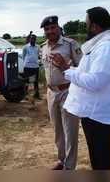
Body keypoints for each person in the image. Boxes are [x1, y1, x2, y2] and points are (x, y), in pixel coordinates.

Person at [53, 7, 110, 170]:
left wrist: (66, 71)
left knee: (100, 158)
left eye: (87, 24)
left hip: (98, 114)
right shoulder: (102, 45)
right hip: (94, 112)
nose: (85, 27)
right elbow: (87, 73)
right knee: (97, 156)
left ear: (95, 26)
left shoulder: (107, 48)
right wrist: (67, 68)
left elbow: (95, 81)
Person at [40, 15, 82, 170]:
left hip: (68, 92)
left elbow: (83, 69)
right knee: (58, 131)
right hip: (51, 93)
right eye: (47, 29)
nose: (50, 31)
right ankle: (61, 160)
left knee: (70, 131)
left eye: (52, 28)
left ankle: (69, 167)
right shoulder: (43, 47)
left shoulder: (70, 45)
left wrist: (65, 66)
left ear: (58, 28)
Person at [22, 34, 40, 99]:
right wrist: (27, 62)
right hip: (27, 66)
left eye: (34, 39)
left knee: (36, 81)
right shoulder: (25, 47)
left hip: (35, 66)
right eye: (31, 38)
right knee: (26, 81)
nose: (33, 40)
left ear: (35, 39)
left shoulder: (38, 47)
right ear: (29, 39)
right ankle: (24, 95)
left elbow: (37, 55)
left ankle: (36, 95)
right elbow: (23, 56)